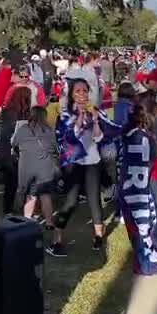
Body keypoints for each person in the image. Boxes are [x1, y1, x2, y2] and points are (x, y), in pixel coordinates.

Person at [51, 79, 108, 256]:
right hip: (74, 162)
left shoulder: (95, 111)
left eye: (85, 91)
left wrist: (96, 121)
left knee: (94, 199)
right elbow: (70, 137)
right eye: (78, 91)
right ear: (71, 94)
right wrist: (80, 117)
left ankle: (98, 236)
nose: (82, 94)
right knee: (71, 201)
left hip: (92, 160)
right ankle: (57, 239)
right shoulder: (65, 115)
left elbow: (99, 138)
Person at [13, 106, 61, 244]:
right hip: (45, 167)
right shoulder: (49, 130)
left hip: (27, 167)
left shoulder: (23, 129)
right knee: (45, 195)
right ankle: (49, 223)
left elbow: (14, 143)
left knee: (31, 195)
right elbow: (55, 148)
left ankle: (27, 223)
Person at [0, 86, 32, 212]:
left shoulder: (6, 112)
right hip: (15, 153)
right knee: (17, 182)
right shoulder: (21, 116)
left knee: (10, 184)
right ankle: (19, 208)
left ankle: (8, 209)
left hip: (6, 151)